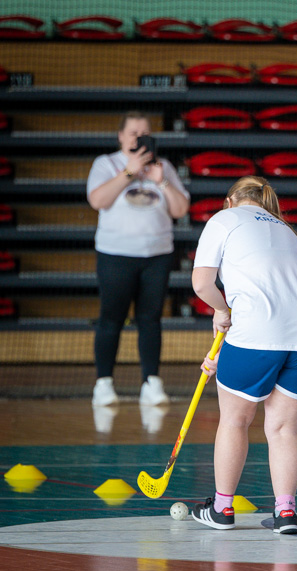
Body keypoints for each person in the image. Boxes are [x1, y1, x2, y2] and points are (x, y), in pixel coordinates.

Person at [190, 176, 297, 534]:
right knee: (284, 429)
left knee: (235, 420)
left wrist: (222, 312)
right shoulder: (287, 230)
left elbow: (203, 283)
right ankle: (285, 513)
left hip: (257, 327)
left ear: (230, 199)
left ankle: (222, 509)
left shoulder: (224, 219)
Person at [87, 111, 190, 407]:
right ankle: (103, 384)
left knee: (150, 319)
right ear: (121, 136)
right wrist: (129, 172)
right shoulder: (106, 164)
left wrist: (162, 182)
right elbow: (98, 201)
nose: (138, 138)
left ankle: (151, 382)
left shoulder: (164, 167)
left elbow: (181, 209)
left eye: (144, 133)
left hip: (156, 256)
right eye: (133, 133)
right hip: (115, 255)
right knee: (111, 319)